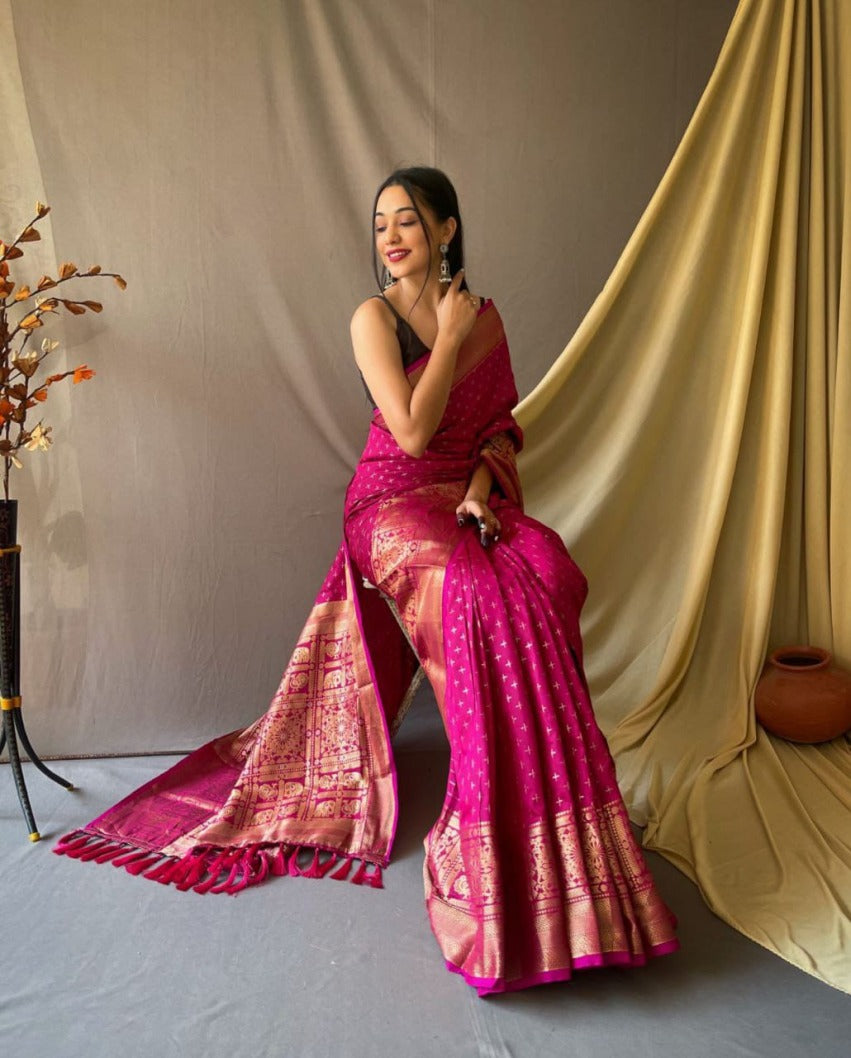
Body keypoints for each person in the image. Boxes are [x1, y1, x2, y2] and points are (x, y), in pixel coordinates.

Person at [54, 166, 679, 996]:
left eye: (407, 220)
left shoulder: (483, 315)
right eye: (380, 223)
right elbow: (413, 434)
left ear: (446, 229)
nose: (390, 237)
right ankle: (491, 845)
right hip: (389, 504)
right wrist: (446, 339)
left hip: (460, 498)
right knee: (474, 597)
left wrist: (481, 497)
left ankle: (568, 841)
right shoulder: (374, 318)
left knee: (544, 572)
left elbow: (496, 431)